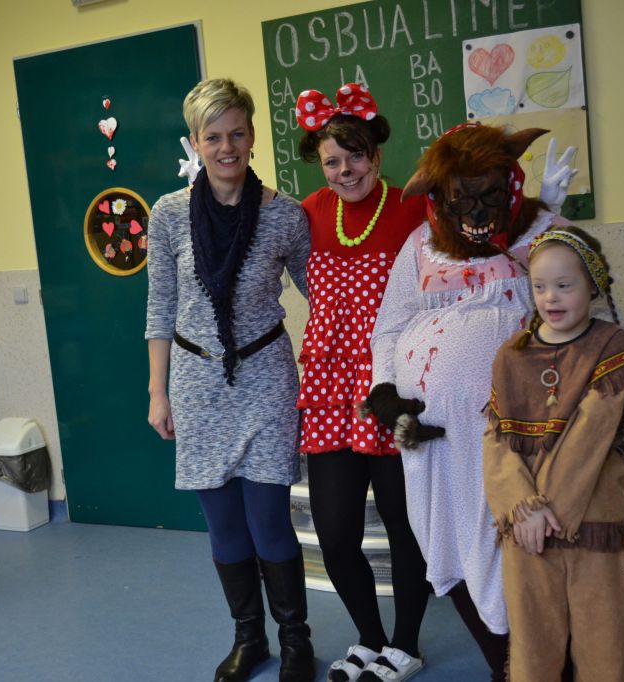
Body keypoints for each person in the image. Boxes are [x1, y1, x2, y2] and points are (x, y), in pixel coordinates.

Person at [364, 122, 576, 682]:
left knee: (518, 544)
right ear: (440, 197)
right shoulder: (420, 245)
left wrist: (546, 221)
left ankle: (540, 663)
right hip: (432, 439)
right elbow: (389, 327)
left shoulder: (542, 235)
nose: (477, 211)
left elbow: (585, 308)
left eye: (489, 193)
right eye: (463, 197)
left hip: (511, 438)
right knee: (447, 545)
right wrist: (385, 391)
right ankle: (504, 665)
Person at [145, 78, 313, 682]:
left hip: (266, 378)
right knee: (224, 525)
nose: (226, 147)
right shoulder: (168, 214)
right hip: (196, 383)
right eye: (212, 136)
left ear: (252, 136)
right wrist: (157, 392)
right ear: (194, 141)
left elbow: (322, 295)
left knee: (269, 520)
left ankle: (295, 640)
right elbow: (160, 307)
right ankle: (250, 639)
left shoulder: (285, 215)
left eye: (237, 134)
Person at [294, 83, 432, 682]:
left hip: (389, 388)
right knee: (334, 530)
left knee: (404, 526)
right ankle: (369, 638)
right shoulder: (308, 212)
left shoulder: (412, 207)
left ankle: (406, 644)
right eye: (332, 161)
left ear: (376, 155)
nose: (344, 170)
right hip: (330, 393)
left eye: (355, 156)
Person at [483, 228, 624, 681]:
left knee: (604, 639)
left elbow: (589, 437)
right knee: (533, 639)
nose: (550, 298)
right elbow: (497, 441)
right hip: (527, 529)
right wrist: (524, 509)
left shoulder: (613, 346)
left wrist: (547, 511)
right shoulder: (511, 355)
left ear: (592, 286)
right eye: (539, 286)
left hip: (593, 522)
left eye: (564, 285)